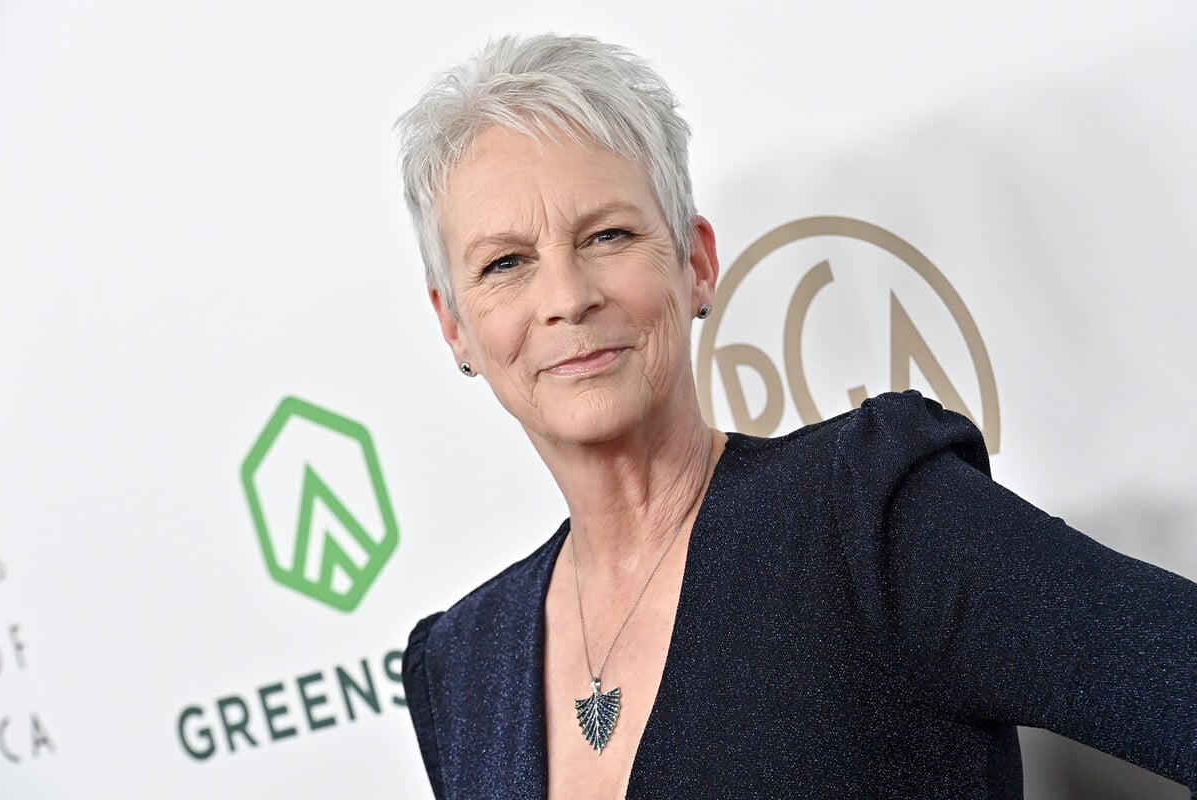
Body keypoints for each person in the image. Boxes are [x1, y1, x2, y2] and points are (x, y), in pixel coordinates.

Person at [395, 33, 1197, 800]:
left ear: (697, 264)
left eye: (608, 235)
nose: (567, 298)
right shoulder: (464, 663)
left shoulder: (867, 518)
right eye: (506, 263)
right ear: (454, 325)